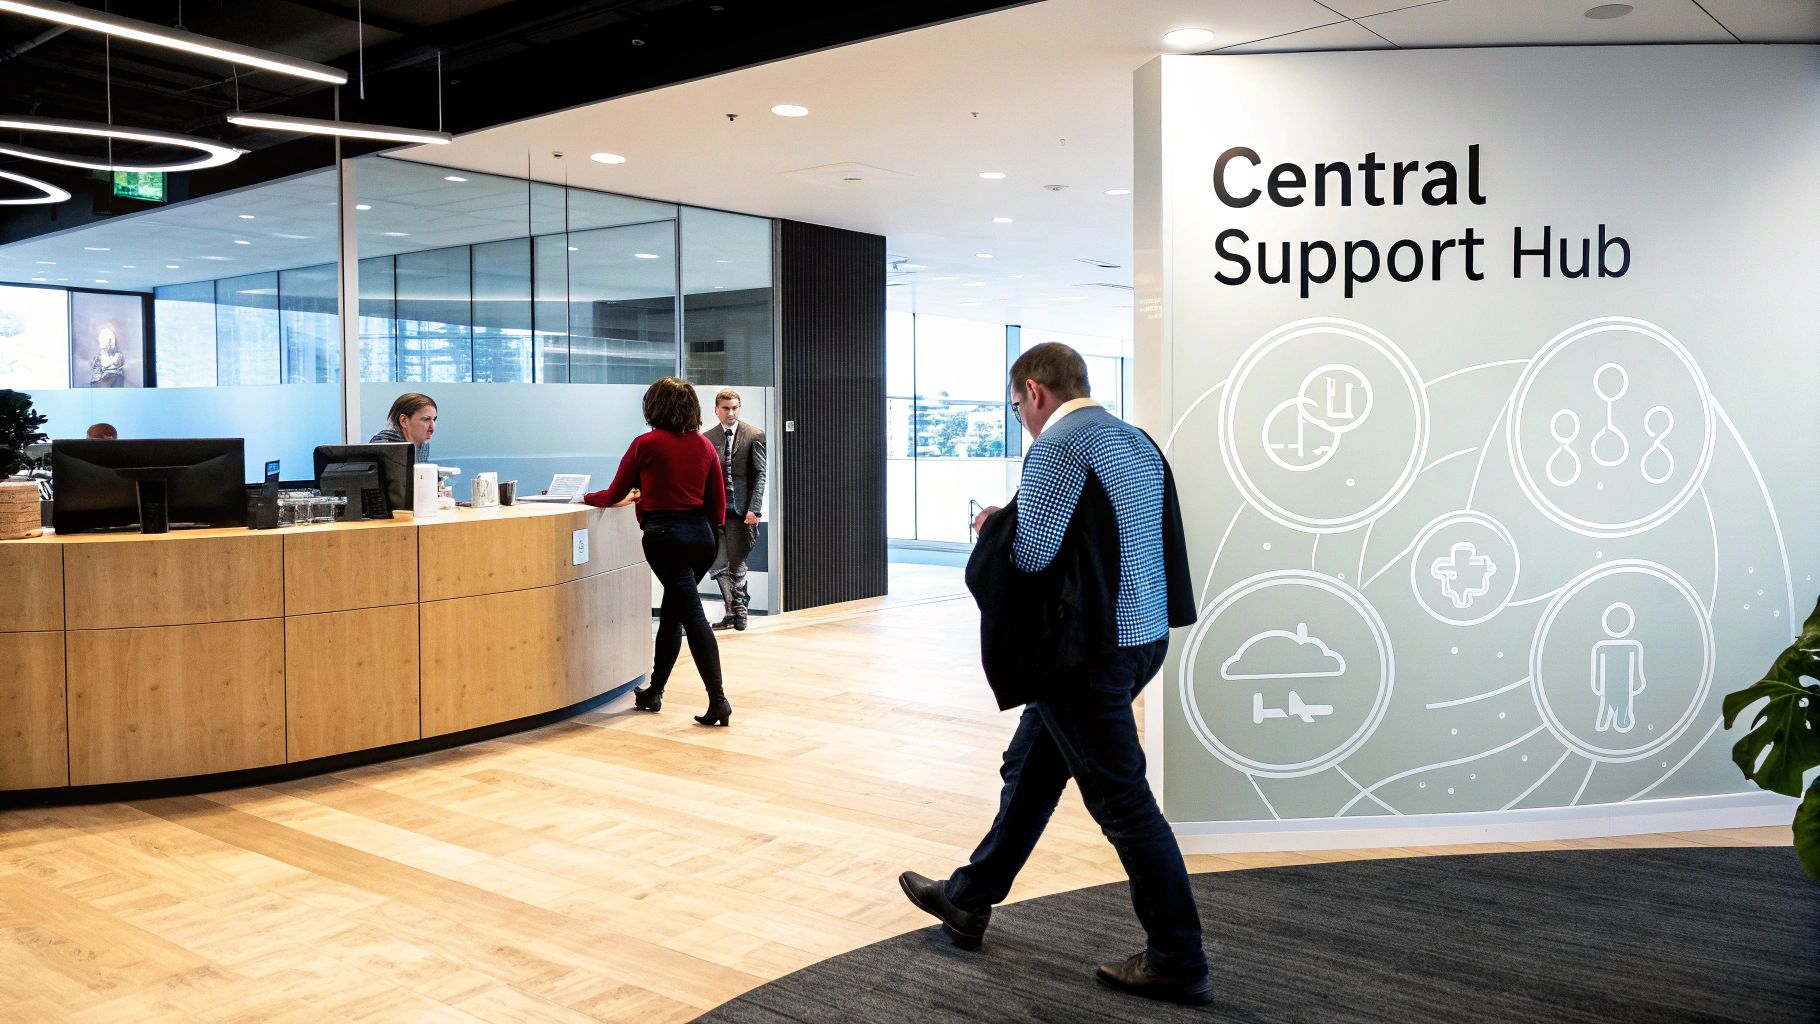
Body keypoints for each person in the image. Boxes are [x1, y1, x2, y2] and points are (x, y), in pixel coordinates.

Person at [898, 342, 1208, 1006]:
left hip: (1085, 656)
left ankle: (1178, 956)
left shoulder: (1061, 444)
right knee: (1033, 769)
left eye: (1016, 406)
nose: (1022, 418)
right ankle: (968, 899)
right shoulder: (1135, 439)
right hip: (1140, 638)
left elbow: (1033, 555)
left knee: (1125, 806)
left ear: (1035, 391)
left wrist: (990, 529)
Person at [584, 376, 732, 727]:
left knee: (691, 615)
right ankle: (654, 691)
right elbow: (719, 505)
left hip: (665, 537)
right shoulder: (704, 446)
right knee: (674, 611)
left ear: (654, 407)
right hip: (702, 539)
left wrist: (583, 498)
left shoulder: (646, 444)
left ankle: (719, 699)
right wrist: (706, 537)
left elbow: (613, 493)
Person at [703, 388, 766, 631]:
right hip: (716, 510)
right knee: (718, 563)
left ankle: (740, 610)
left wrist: (755, 509)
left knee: (738, 560)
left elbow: (760, 474)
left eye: (735, 408)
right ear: (717, 410)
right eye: (726, 408)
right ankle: (731, 609)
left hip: (741, 510)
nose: (731, 413)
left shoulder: (753, 435)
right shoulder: (708, 438)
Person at [369, 392, 437, 463]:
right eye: (426, 419)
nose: (432, 427)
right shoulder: (383, 446)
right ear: (404, 421)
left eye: (434, 419)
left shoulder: (422, 442)